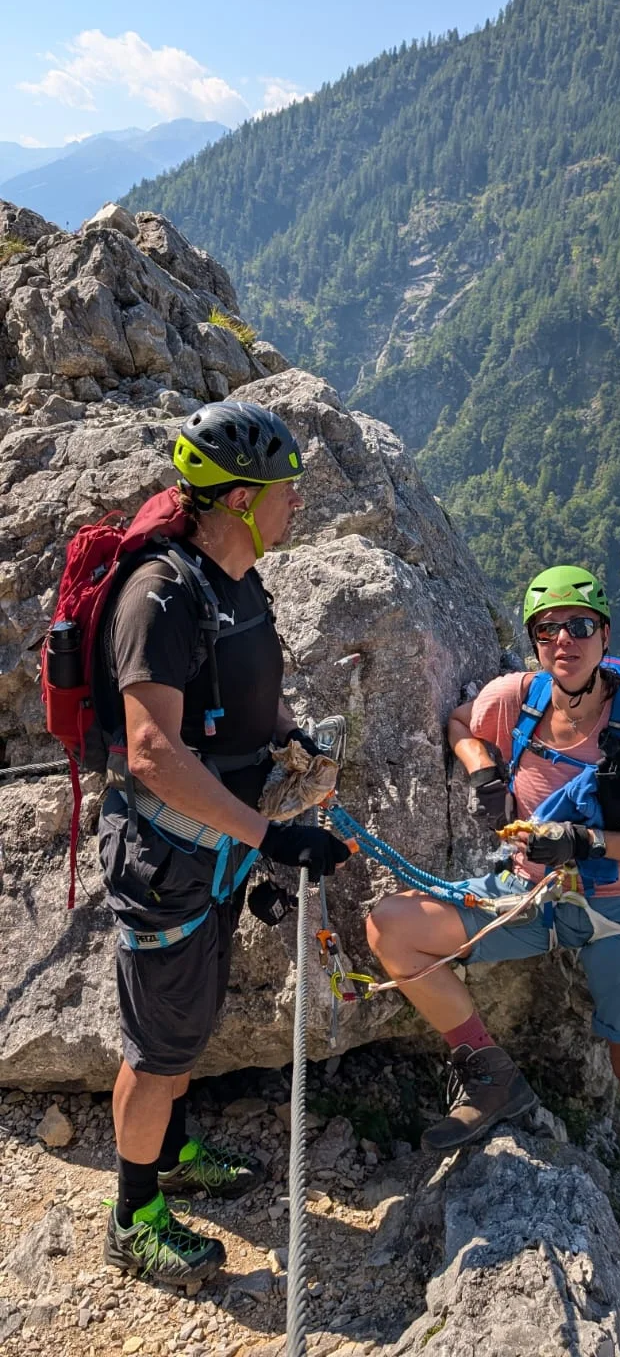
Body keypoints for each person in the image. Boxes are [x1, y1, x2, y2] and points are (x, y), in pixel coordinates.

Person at [367, 564, 620, 1271]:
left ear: (604, 635)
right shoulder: (518, 697)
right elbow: (461, 723)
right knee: (390, 927)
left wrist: (588, 841)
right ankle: (490, 1073)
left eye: (580, 626)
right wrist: (482, 769)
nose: (564, 640)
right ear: (535, 642)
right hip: (530, 895)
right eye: (548, 629)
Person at [99, 400, 350, 1287]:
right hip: (169, 854)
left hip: (212, 850)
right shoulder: (158, 596)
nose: (296, 504)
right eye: (284, 490)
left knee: (186, 1019)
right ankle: (133, 1215)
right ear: (239, 498)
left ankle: (167, 1150)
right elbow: (150, 751)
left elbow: (247, 695)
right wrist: (273, 836)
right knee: (158, 1047)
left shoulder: (235, 585)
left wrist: (292, 739)